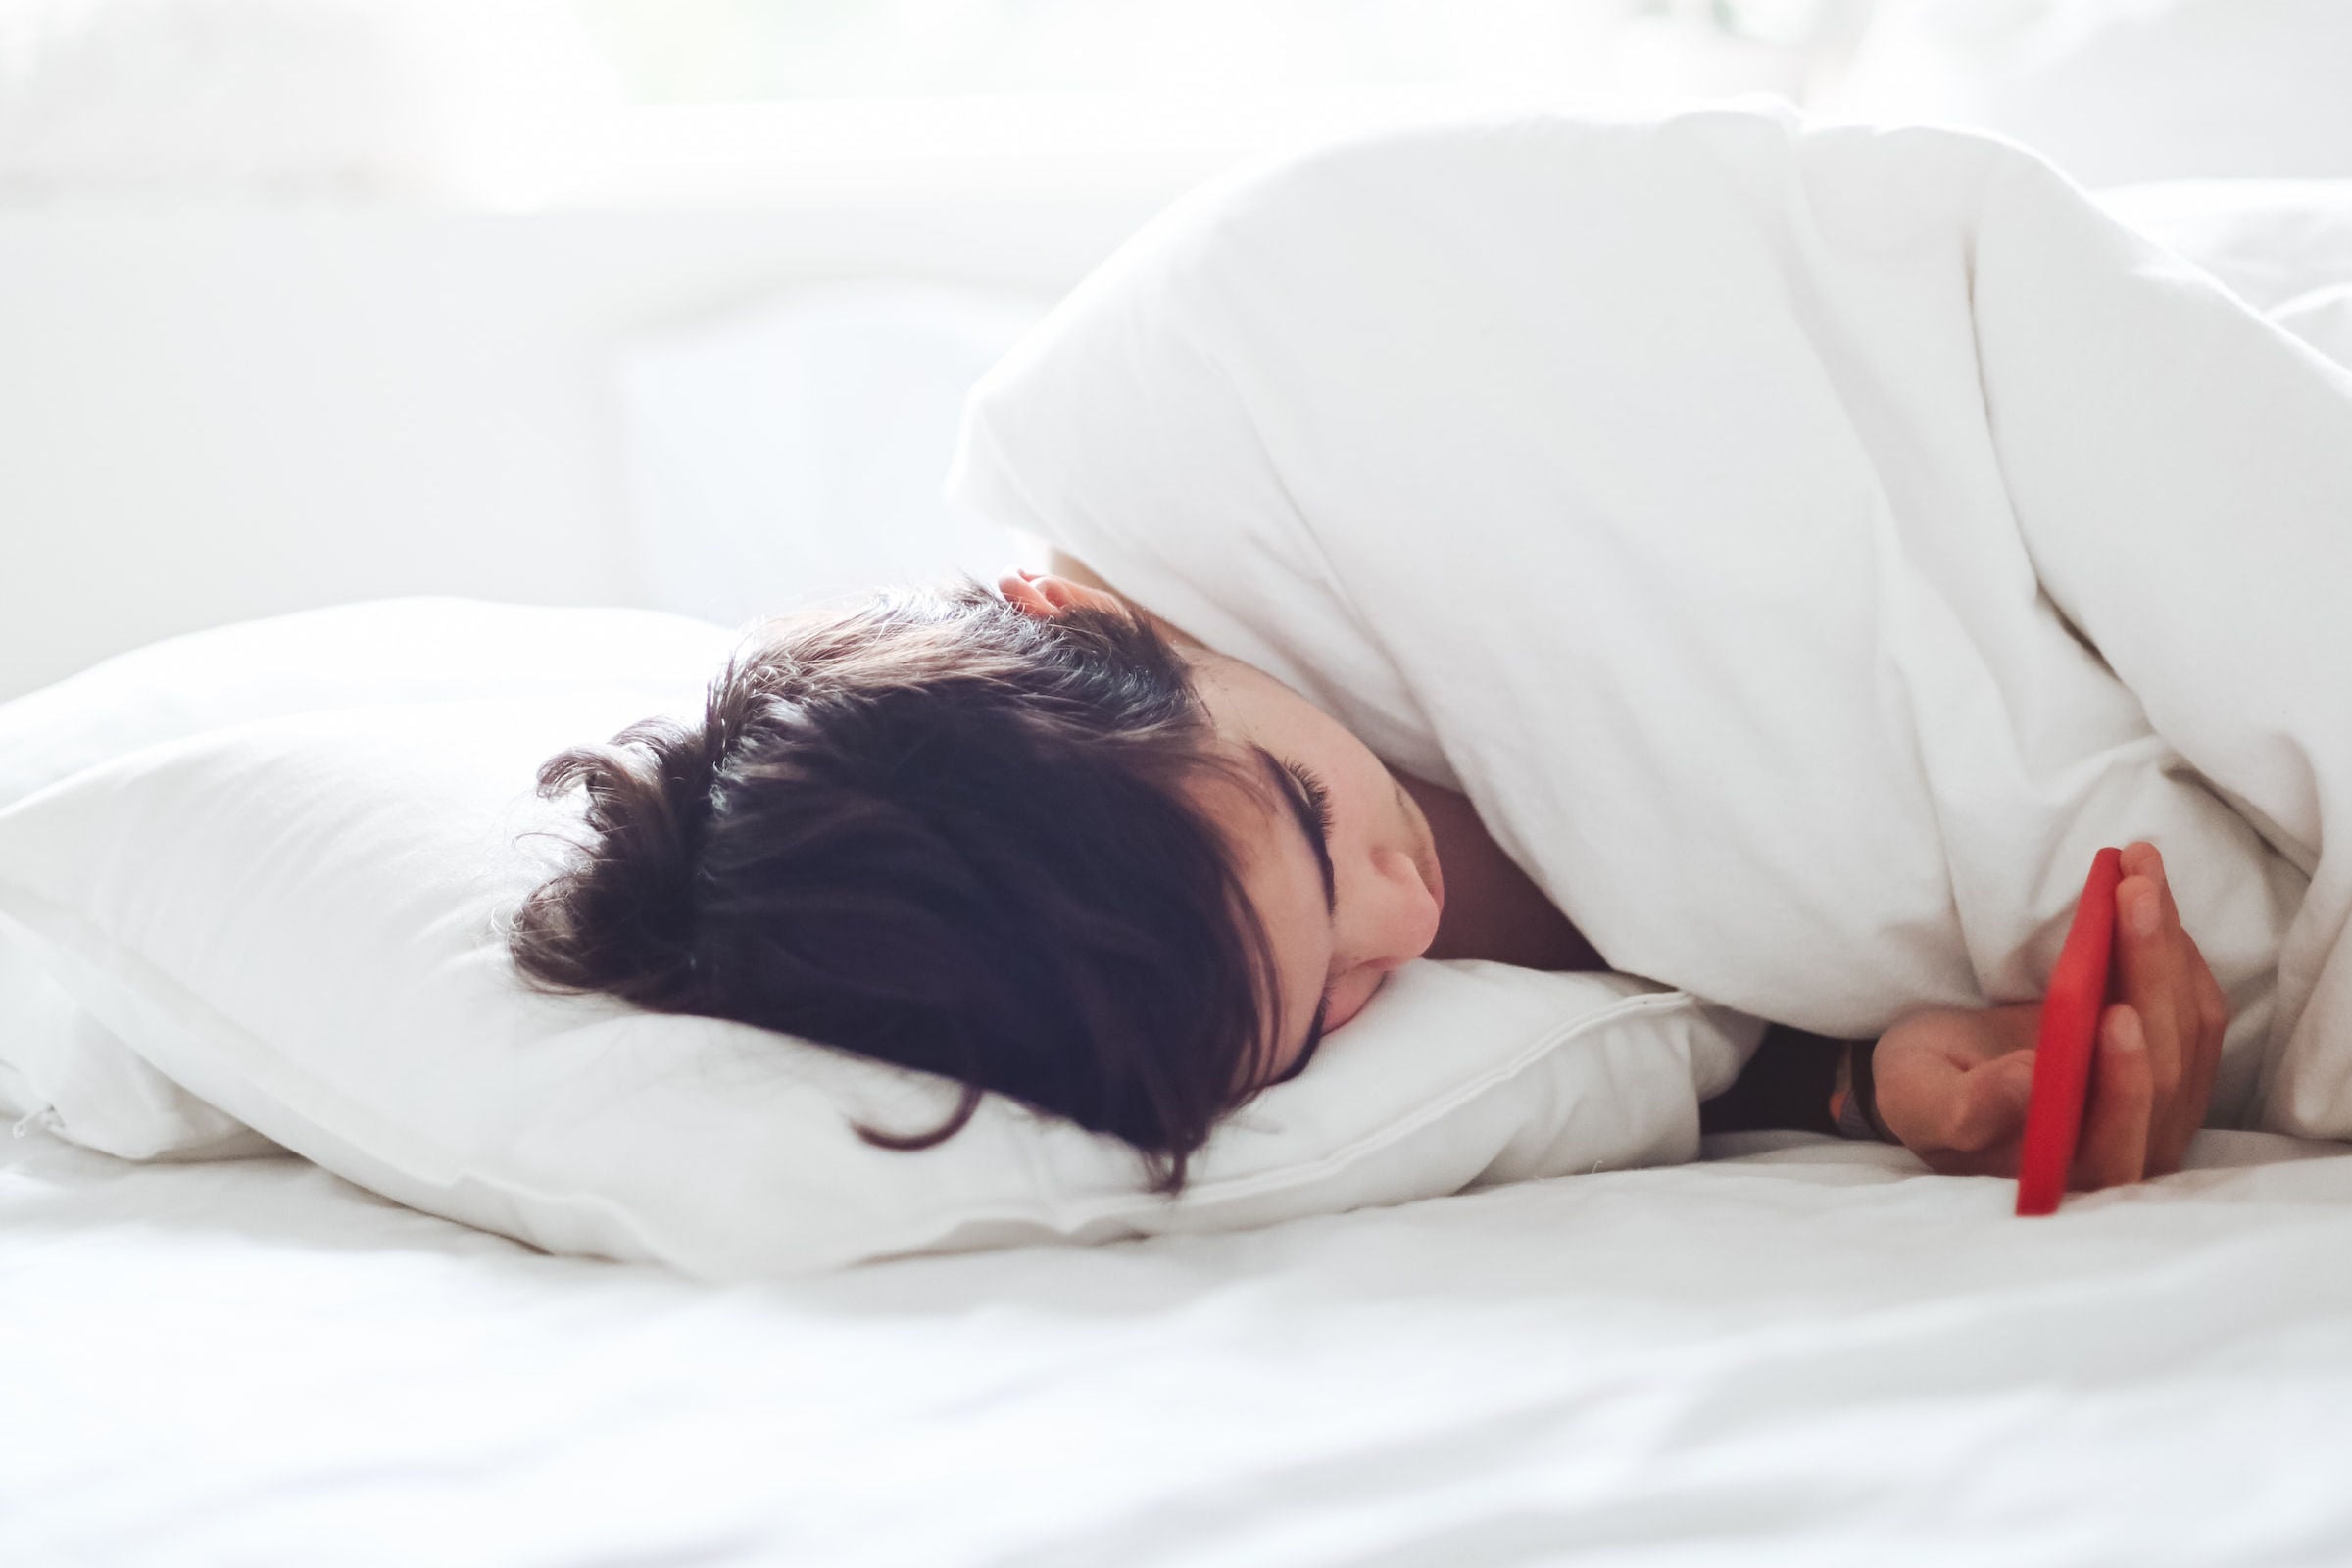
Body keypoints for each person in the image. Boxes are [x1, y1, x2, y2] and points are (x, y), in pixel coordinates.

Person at [509, 555, 2228, 1197]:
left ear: (1089, 617)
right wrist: (1855, 1077)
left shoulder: (1281, 522)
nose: (1406, 925)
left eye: (1317, 825)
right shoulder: (1151, 947)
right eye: (1331, 1005)